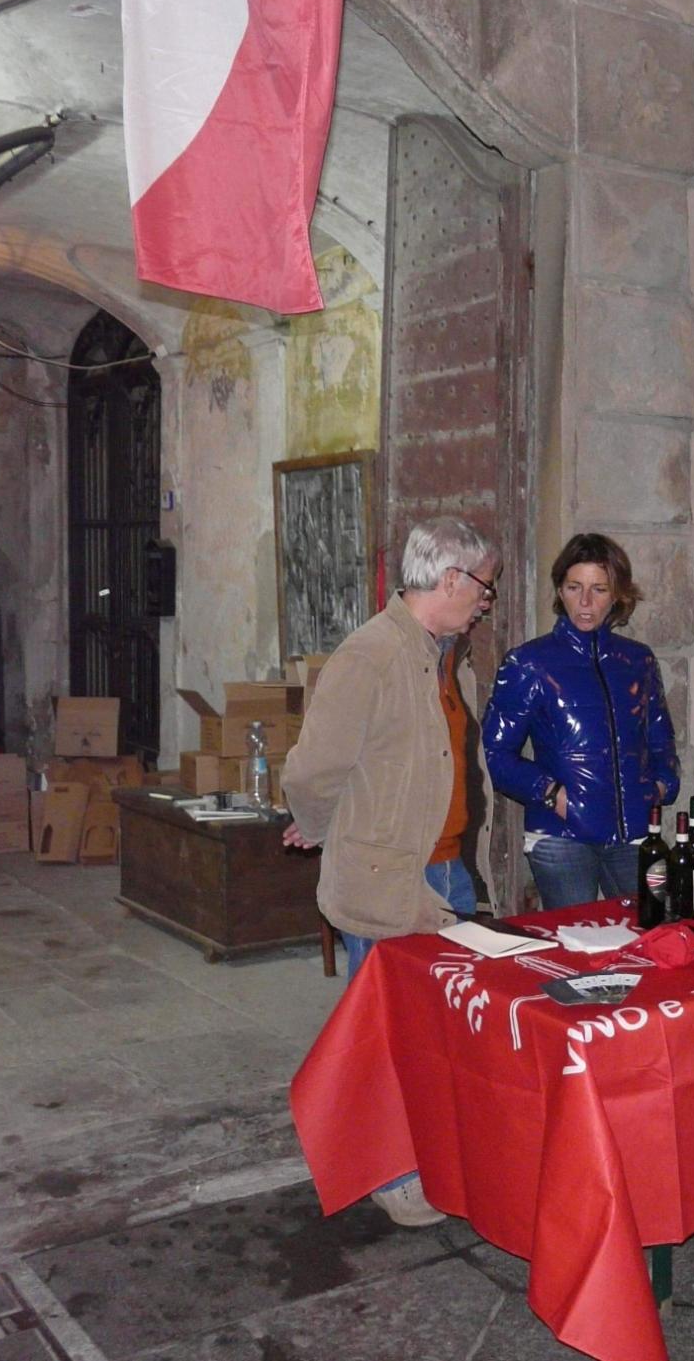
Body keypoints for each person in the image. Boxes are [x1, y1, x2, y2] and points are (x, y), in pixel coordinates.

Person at [281, 515, 499, 1227]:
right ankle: (394, 1174)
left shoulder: (443, 656)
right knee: (389, 1039)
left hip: (447, 874)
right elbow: (314, 769)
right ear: (450, 580)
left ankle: (435, 1156)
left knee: (440, 1036)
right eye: (483, 588)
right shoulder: (369, 655)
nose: (486, 602)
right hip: (391, 880)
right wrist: (319, 827)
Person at [483, 533, 679, 907]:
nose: (585, 602)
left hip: (633, 831)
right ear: (560, 589)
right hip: (560, 834)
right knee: (577, 944)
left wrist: (659, 787)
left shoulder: (637, 661)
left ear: (617, 594)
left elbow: (660, 740)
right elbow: (493, 753)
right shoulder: (529, 663)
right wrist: (551, 793)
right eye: (575, 587)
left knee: (655, 932)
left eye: (599, 589)